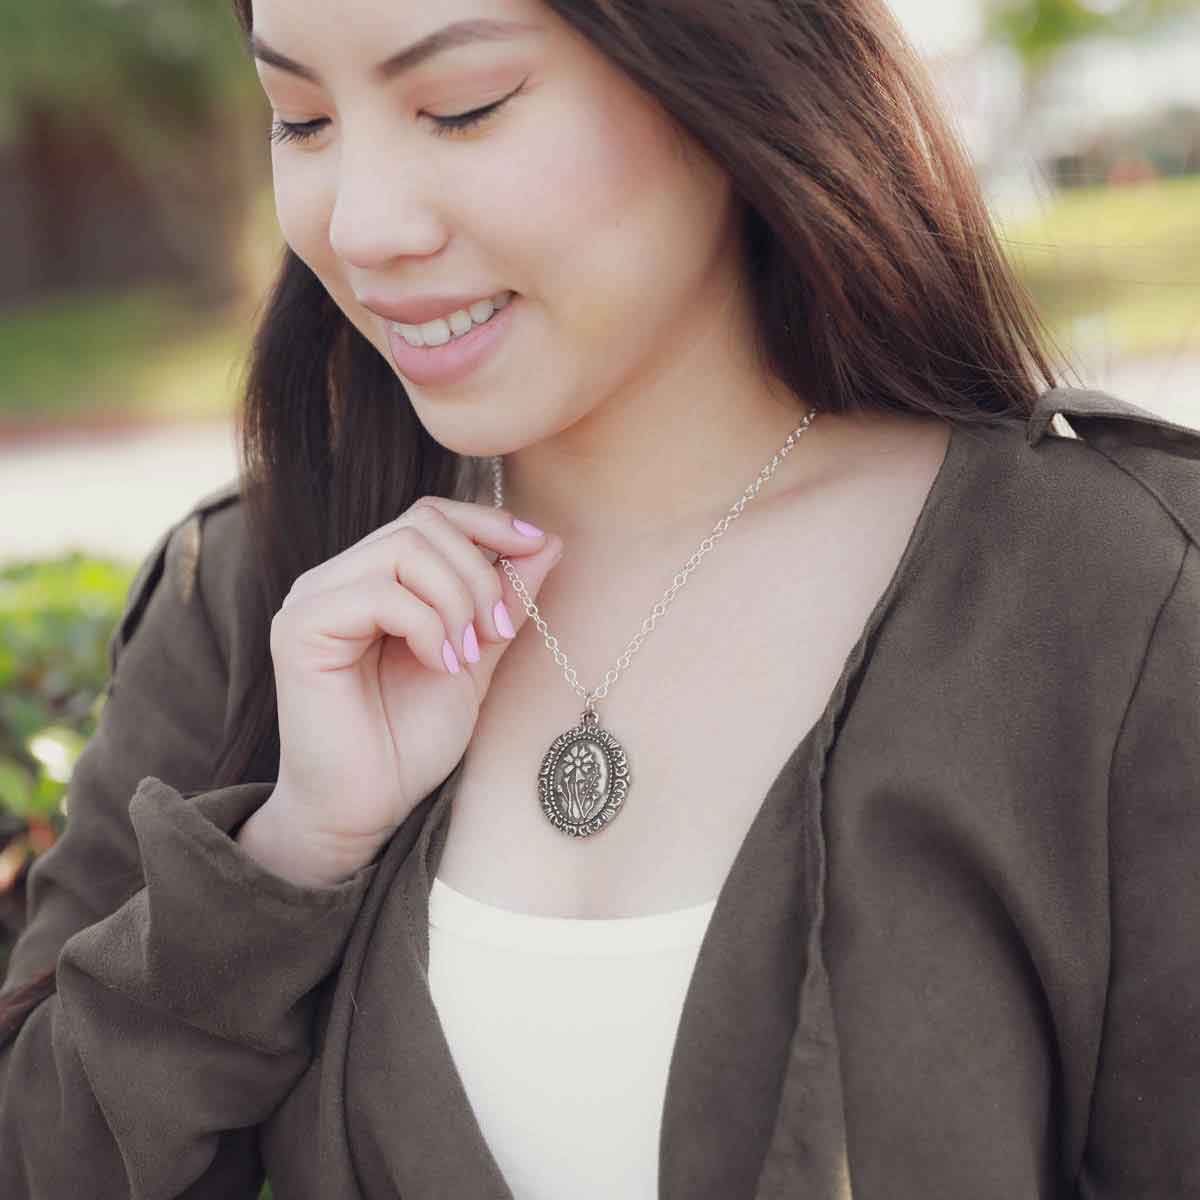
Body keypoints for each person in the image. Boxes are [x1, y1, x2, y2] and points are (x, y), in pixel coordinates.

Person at [1, 0, 1197, 1196]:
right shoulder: (256, 599)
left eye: (461, 107)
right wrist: (285, 860)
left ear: (730, 70)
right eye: (301, 119)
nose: (362, 227)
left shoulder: (1111, 595)